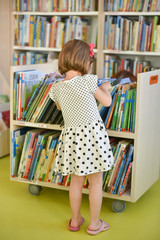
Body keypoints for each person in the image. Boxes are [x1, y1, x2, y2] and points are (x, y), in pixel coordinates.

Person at [49, 39, 114, 235]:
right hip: (92, 136)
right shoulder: (88, 80)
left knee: (76, 182)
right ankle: (94, 224)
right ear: (84, 61)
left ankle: (75, 220)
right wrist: (106, 88)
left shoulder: (57, 88)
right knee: (95, 182)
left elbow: (60, 107)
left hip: (72, 138)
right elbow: (107, 102)